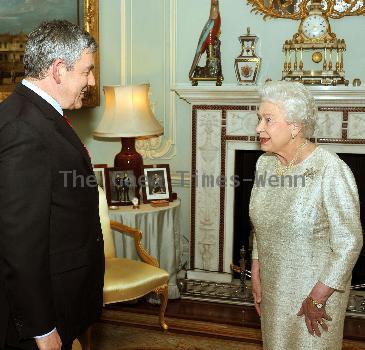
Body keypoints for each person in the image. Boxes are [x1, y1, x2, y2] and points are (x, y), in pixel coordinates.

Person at [0, 20, 104, 350]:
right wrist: (42, 328)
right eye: (87, 71)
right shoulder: (24, 129)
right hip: (40, 315)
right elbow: (20, 243)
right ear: (59, 70)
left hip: (60, 299)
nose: (91, 81)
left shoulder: (37, 114)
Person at [249, 81, 363, 350]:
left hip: (316, 294)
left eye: (268, 119)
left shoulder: (330, 170)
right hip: (274, 290)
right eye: (258, 119)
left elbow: (350, 242)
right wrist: (256, 272)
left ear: (295, 126)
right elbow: (260, 223)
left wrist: (318, 297)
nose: (258, 128)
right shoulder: (264, 164)